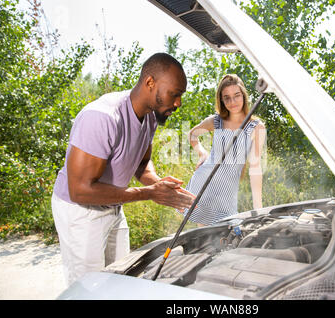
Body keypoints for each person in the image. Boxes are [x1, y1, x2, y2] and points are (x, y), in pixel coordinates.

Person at [51, 52, 195, 286]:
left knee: (120, 277)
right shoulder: (102, 117)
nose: (178, 103)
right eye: (175, 94)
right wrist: (149, 193)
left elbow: (141, 162)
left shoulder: (149, 117)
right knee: (89, 287)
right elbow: (80, 190)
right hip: (80, 211)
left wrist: (157, 183)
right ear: (150, 83)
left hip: (113, 205)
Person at [183, 74, 266, 226]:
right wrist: (202, 153)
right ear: (221, 100)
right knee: (206, 239)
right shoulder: (216, 121)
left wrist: (258, 209)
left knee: (224, 236)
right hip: (203, 183)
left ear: (244, 95)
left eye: (236, 95)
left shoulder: (255, 127)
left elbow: (255, 168)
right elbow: (192, 134)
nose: (232, 102)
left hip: (227, 193)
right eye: (226, 98)